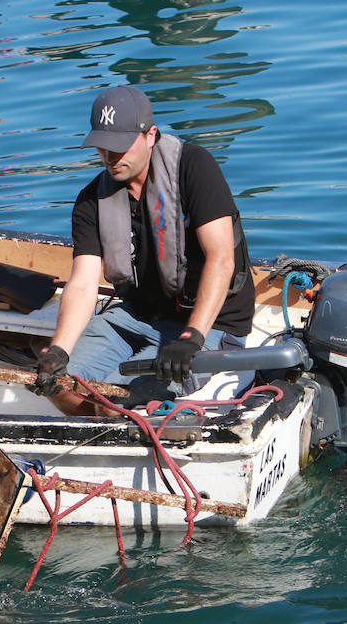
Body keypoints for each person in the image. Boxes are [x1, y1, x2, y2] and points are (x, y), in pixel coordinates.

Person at [32, 85, 255, 416]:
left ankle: (115, 422)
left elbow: (221, 258)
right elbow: (82, 282)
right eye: (103, 147)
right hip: (136, 316)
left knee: (115, 403)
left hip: (208, 325)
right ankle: (102, 433)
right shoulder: (91, 199)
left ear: (151, 135)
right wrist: (59, 350)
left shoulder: (195, 168)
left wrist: (191, 338)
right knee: (59, 386)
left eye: (120, 146)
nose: (111, 157)